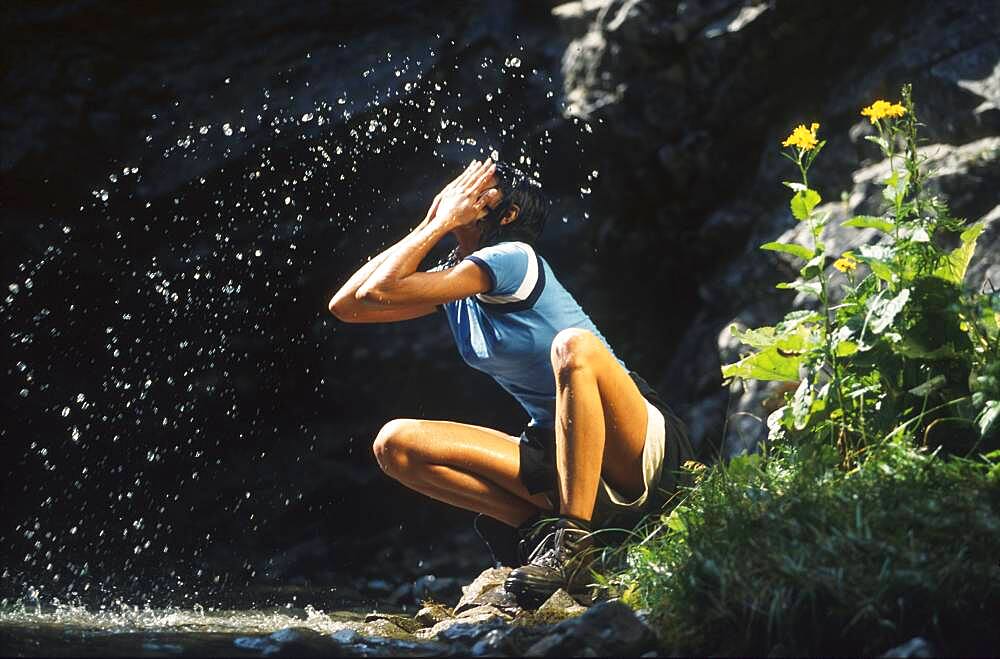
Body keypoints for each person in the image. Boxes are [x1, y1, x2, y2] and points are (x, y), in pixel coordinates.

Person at [328, 158, 694, 607]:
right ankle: (542, 532)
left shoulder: (512, 258)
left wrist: (442, 223)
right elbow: (349, 305)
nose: (464, 192)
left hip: (633, 443)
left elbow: (377, 292)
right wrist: (431, 222)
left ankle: (573, 545)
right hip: (559, 454)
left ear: (509, 214)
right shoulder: (455, 288)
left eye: (482, 188)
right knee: (395, 444)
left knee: (572, 347)